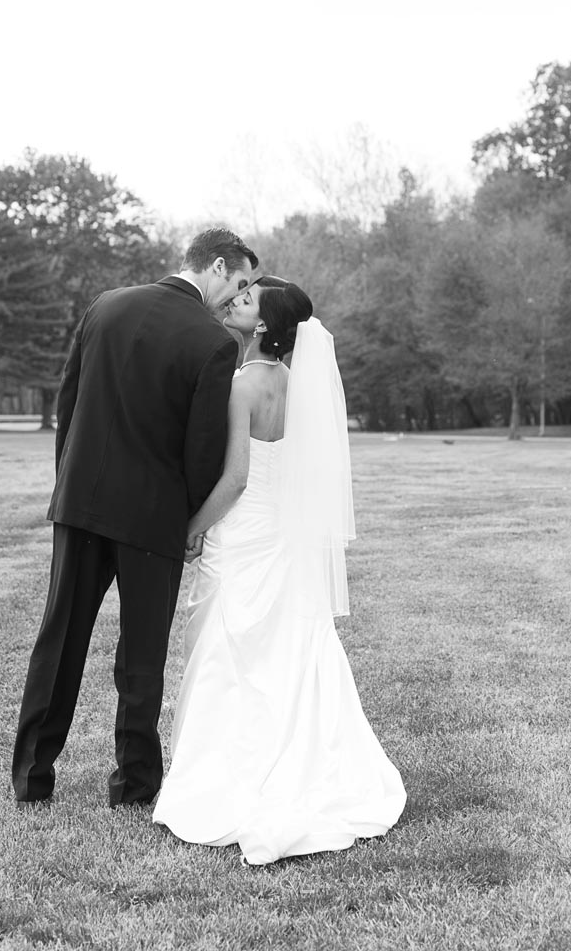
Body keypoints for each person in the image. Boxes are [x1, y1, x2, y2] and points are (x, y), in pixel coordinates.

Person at [153, 277, 406, 864]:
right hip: (281, 539)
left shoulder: (243, 385)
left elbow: (237, 479)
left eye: (248, 299)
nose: (237, 299)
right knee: (288, 650)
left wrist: (191, 527)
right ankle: (308, 763)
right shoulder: (295, 382)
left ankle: (222, 783)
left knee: (228, 649)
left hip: (244, 534)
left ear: (263, 325)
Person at [12, 227, 258, 807]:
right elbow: (202, 450)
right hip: (152, 521)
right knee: (141, 656)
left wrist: (66, 487)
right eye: (241, 283)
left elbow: (67, 405)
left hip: (80, 503)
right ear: (217, 266)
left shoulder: (107, 304)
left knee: (59, 639)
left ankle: (31, 777)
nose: (238, 297)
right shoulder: (213, 341)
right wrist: (192, 523)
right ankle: (135, 782)